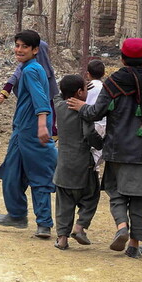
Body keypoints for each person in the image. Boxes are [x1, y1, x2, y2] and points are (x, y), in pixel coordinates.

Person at [68, 38, 142, 259]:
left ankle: (121, 226)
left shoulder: (113, 83)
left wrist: (81, 107)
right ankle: (134, 244)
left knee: (116, 192)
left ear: (123, 59)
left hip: (117, 149)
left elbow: (96, 113)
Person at [0, 30, 57, 238]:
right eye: (17, 45)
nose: (19, 50)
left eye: (24, 47)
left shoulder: (30, 71)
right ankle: (17, 214)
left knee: (38, 176)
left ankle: (44, 223)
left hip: (32, 132)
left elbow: (40, 99)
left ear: (35, 50)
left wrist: (41, 125)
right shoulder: (29, 67)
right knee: (11, 173)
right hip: (22, 131)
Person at [52, 74, 102, 251]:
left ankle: (62, 239)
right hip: (82, 165)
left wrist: (72, 92)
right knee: (92, 196)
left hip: (63, 166)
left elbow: (58, 95)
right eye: (84, 89)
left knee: (63, 204)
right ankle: (80, 227)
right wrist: (102, 144)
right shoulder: (84, 112)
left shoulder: (59, 106)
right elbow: (89, 135)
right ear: (80, 92)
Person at [85, 59, 107, 164]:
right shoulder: (106, 88)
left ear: (88, 74)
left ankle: (91, 174)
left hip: (91, 125)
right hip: (105, 123)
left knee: (90, 154)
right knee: (99, 153)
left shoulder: (87, 88)